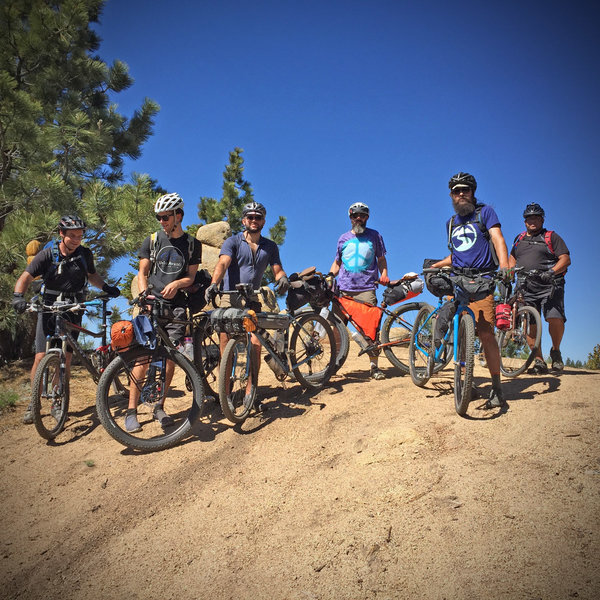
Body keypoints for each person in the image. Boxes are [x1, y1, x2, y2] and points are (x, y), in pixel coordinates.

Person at [12, 215, 120, 424]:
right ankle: (34, 403)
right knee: (40, 356)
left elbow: (91, 275)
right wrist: (18, 297)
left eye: (80, 236)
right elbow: (26, 277)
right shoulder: (47, 254)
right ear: (61, 234)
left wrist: (106, 287)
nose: (76, 239)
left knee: (66, 357)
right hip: (49, 306)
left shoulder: (84, 254)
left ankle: (57, 399)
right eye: (72, 236)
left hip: (73, 308)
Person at [431, 172, 511, 409]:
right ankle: (466, 383)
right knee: (462, 333)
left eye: (465, 189)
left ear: (473, 192)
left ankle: (497, 388)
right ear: (451, 195)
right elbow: (456, 253)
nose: (461, 194)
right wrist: (436, 266)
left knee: (486, 332)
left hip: (482, 279)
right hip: (459, 281)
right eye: (456, 191)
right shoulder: (451, 223)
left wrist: (505, 267)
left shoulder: (485, 213)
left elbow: (498, 239)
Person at [126, 192, 202, 432]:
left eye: (166, 216)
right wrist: (144, 295)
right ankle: (131, 411)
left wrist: (177, 284)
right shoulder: (152, 239)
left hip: (176, 308)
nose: (162, 221)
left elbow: (190, 276)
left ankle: (160, 405)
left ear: (178, 215)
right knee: (142, 358)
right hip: (152, 304)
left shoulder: (192, 244)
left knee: (170, 357)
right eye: (159, 217)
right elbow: (142, 272)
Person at [204, 201, 289, 412]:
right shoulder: (232, 242)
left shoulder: (269, 246)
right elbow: (223, 263)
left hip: (253, 299)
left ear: (263, 221)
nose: (253, 220)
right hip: (229, 298)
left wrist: (282, 278)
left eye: (258, 217)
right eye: (250, 217)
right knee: (226, 346)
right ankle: (226, 394)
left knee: (255, 345)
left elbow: (277, 269)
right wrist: (214, 284)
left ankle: (251, 391)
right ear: (244, 220)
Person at [328, 202, 389, 380]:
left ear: (367, 217)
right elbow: (337, 263)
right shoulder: (343, 238)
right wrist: (330, 276)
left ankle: (374, 367)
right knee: (336, 329)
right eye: (355, 215)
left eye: (362, 215)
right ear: (350, 217)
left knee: (371, 328)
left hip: (366, 288)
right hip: (344, 289)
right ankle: (332, 366)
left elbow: (381, 259)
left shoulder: (375, 236)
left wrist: (384, 274)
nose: (358, 218)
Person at [509, 203, 571, 373]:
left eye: (536, 217)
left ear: (542, 219)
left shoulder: (551, 237)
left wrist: (552, 272)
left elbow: (565, 259)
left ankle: (555, 351)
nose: (533, 220)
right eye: (529, 218)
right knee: (531, 323)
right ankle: (539, 360)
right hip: (526, 286)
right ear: (525, 221)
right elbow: (512, 258)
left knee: (554, 318)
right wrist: (509, 273)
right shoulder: (519, 239)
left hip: (550, 285)